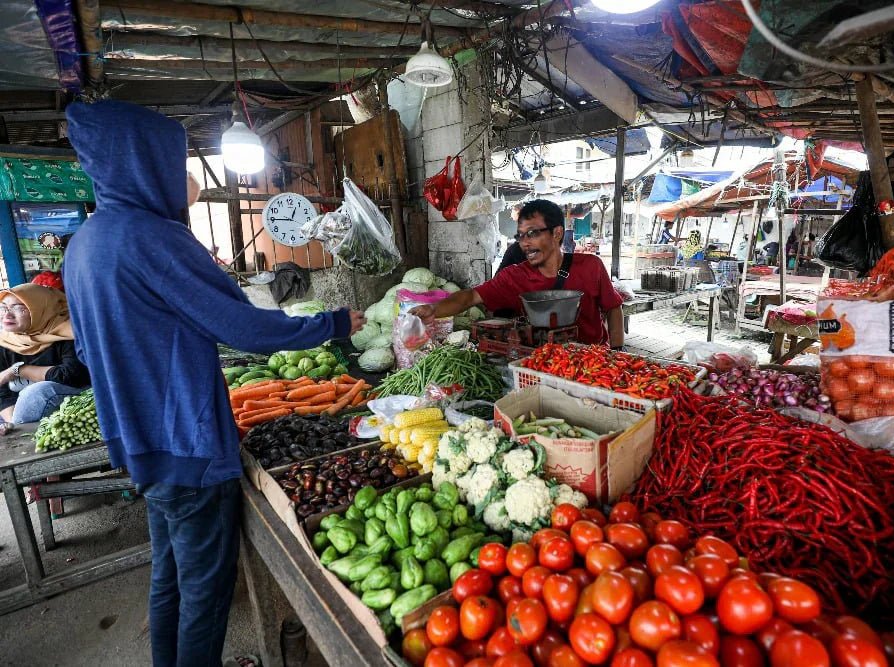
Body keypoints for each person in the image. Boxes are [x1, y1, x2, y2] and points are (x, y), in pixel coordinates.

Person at [63, 100, 365, 667]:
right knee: (206, 589)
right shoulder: (154, 239)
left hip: (139, 444)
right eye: (170, 162)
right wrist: (332, 322)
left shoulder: (87, 242)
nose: (183, 180)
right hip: (188, 445)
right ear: (142, 163)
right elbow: (244, 328)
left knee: (170, 574)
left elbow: (86, 352)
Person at [412, 199, 624, 347]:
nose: (524, 243)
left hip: (594, 361)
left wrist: (616, 351)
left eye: (532, 234)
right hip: (546, 364)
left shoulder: (591, 266)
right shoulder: (514, 276)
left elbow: (614, 309)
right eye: (521, 236)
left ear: (557, 233)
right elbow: (470, 296)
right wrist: (434, 309)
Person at [0, 283, 89, 427]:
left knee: (38, 392)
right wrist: (11, 424)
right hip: (21, 415)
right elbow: (2, 392)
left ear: (40, 309)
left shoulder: (68, 333)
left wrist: (19, 370)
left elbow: (71, 375)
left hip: (76, 403)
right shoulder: (6, 341)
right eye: (3, 307)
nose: (7, 314)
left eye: (18, 308)